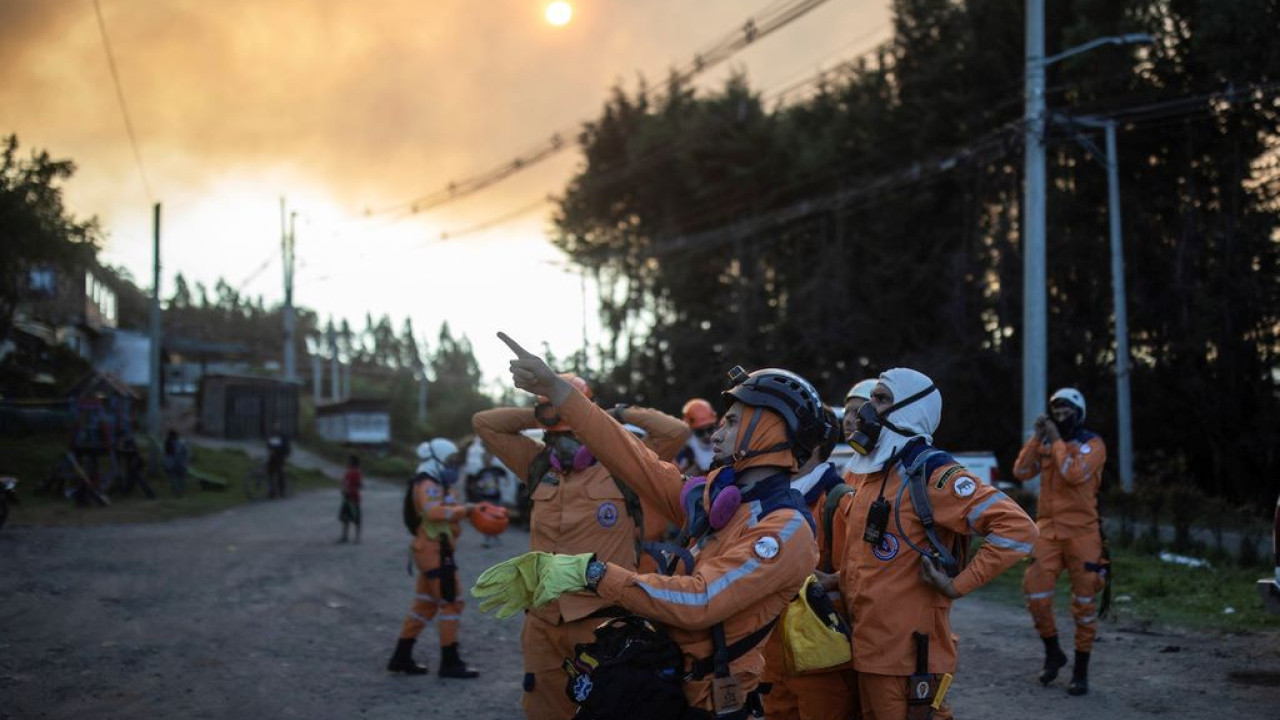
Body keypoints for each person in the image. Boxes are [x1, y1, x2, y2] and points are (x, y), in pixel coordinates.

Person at [473, 332, 823, 719]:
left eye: (732, 422)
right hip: (667, 685)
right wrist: (557, 390)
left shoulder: (786, 529)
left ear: (770, 427)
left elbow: (701, 601)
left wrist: (592, 573)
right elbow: (630, 456)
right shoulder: (717, 501)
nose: (717, 433)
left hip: (709, 705)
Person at [837, 368, 1038, 719]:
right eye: (872, 398)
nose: (869, 409)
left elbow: (1018, 529)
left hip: (907, 657)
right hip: (869, 647)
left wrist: (957, 584)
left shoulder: (931, 473)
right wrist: (837, 579)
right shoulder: (875, 472)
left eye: (881, 399)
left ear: (912, 409)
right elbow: (875, 558)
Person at [471, 372, 650, 720]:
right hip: (543, 619)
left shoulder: (623, 466)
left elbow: (675, 432)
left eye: (571, 433)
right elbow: (484, 423)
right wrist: (547, 412)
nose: (562, 445)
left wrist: (606, 415)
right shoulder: (537, 465)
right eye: (554, 436)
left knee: (608, 709)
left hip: (602, 622)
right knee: (543, 709)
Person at [760, 404, 861, 720]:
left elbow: (861, 578)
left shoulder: (838, 500)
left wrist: (824, 579)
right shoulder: (769, 499)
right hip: (773, 656)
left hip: (821, 660)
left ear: (814, 443)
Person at [1013, 387, 1108, 696]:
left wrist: (1055, 440)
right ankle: (1053, 652)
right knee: (1035, 592)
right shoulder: (1047, 443)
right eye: (1057, 412)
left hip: (1083, 532)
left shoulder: (1093, 444)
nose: (1061, 417)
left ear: (1079, 414)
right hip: (1048, 530)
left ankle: (1081, 672)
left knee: (1084, 602)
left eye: (1067, 412)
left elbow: (1073, 473)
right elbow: (1021, 470)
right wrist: (1037, 437)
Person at [387, 438, 480, 679]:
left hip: (433, 551)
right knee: (452, 602)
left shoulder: (437, 484)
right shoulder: (428, 483)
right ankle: (450, 661)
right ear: (436, 459)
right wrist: (465, 510)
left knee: (425, 604)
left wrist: (461, 509)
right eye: (449, 461)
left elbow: (444, 512)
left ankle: (400, 657)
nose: (453, 466)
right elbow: (434, 512)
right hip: (434, 552)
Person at [674, 398, 717, 476]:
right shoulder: (685, 451)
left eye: (710, 429)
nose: (707, 435)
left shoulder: (725, 440)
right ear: (691, 430)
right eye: (700, 432)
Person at [338, 454, 362, 544]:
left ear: (353, 462)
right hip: (347, 497)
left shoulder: (356, 472)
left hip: (354, 498)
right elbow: (344, 482)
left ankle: (357, 538)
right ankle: (345, 536)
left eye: (349, 460)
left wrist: (350, 491)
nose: (347, 462)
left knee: (356, 518)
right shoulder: (349, 472)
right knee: (346, 518)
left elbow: (358, 485)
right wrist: (344, 489)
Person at [265, 422, 290, 499]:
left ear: (279, 427)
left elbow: (285, 446)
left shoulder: (282, 435)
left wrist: (282, 454)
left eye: (277, 426)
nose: (275, 427)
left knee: (280, 473)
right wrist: (270, 450)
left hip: (280, 457)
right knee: (269, 472)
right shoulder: (272, 435)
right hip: (272, 457)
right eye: (275, 425)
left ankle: (282, 491)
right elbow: (269, 444)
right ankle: (272, 491)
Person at [163, 430, 189, 498]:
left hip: (170, 463)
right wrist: (185, 462)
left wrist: (166, 463)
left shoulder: (167, 443)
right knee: (181, 478)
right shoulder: (181, 442)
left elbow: (167, 455)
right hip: (180, 462)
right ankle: (181, 491)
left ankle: (177, 491)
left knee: (172, 478)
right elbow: (185, 452)